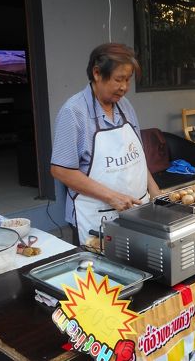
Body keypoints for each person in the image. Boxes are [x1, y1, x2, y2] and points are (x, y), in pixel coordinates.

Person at [50, 43, 161, 247]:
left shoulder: (125, 106)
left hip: (138, 211)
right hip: (95, 218)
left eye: (128, 80)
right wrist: (111, 197)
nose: (124, 87)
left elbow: (136, 156)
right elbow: (61, 170)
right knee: (102, 276)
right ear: (97, 73)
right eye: (119, 79)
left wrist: (154, 190)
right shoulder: (74, 112)